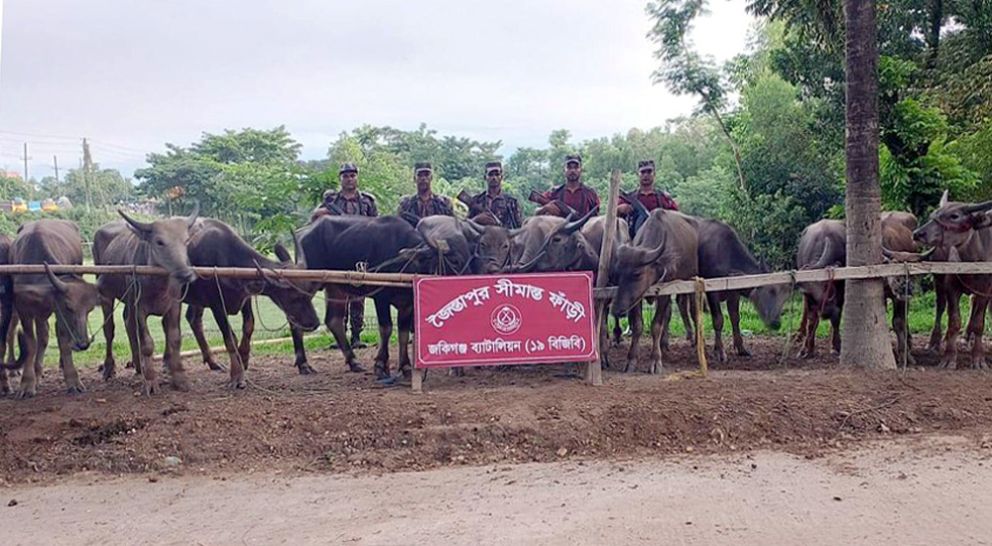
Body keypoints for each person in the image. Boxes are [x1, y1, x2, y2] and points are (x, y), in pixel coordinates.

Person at [321, 162, 378, 349]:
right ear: (340, 179)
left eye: (352, 175)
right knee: (337, 294)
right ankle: (340, 335)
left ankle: (356, 335)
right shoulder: (332, 201)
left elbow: (376, 225)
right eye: (346, 176)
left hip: (361, 252)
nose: (349, 179)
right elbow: (322, 222)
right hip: (338, 251)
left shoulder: (367, 201)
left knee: (358, 294)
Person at [617, 159, 679, 237]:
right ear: (638, 175)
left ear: (654, 174)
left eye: (649, 172)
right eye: (642, 172)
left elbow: (676, 217)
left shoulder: (663, 198)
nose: (646, 175)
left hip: (659, 239)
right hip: (633, 241)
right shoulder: (629, 198)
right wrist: (620, 209)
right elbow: (613, 216)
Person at [466, 161, 522, 228]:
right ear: (485, 177)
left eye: (497, 174)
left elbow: (519, 228)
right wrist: (477, 219)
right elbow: (466, 226)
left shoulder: (511, 202)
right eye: (490, 174)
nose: (494, 177)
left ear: (501, 177)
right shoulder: (476, 201)